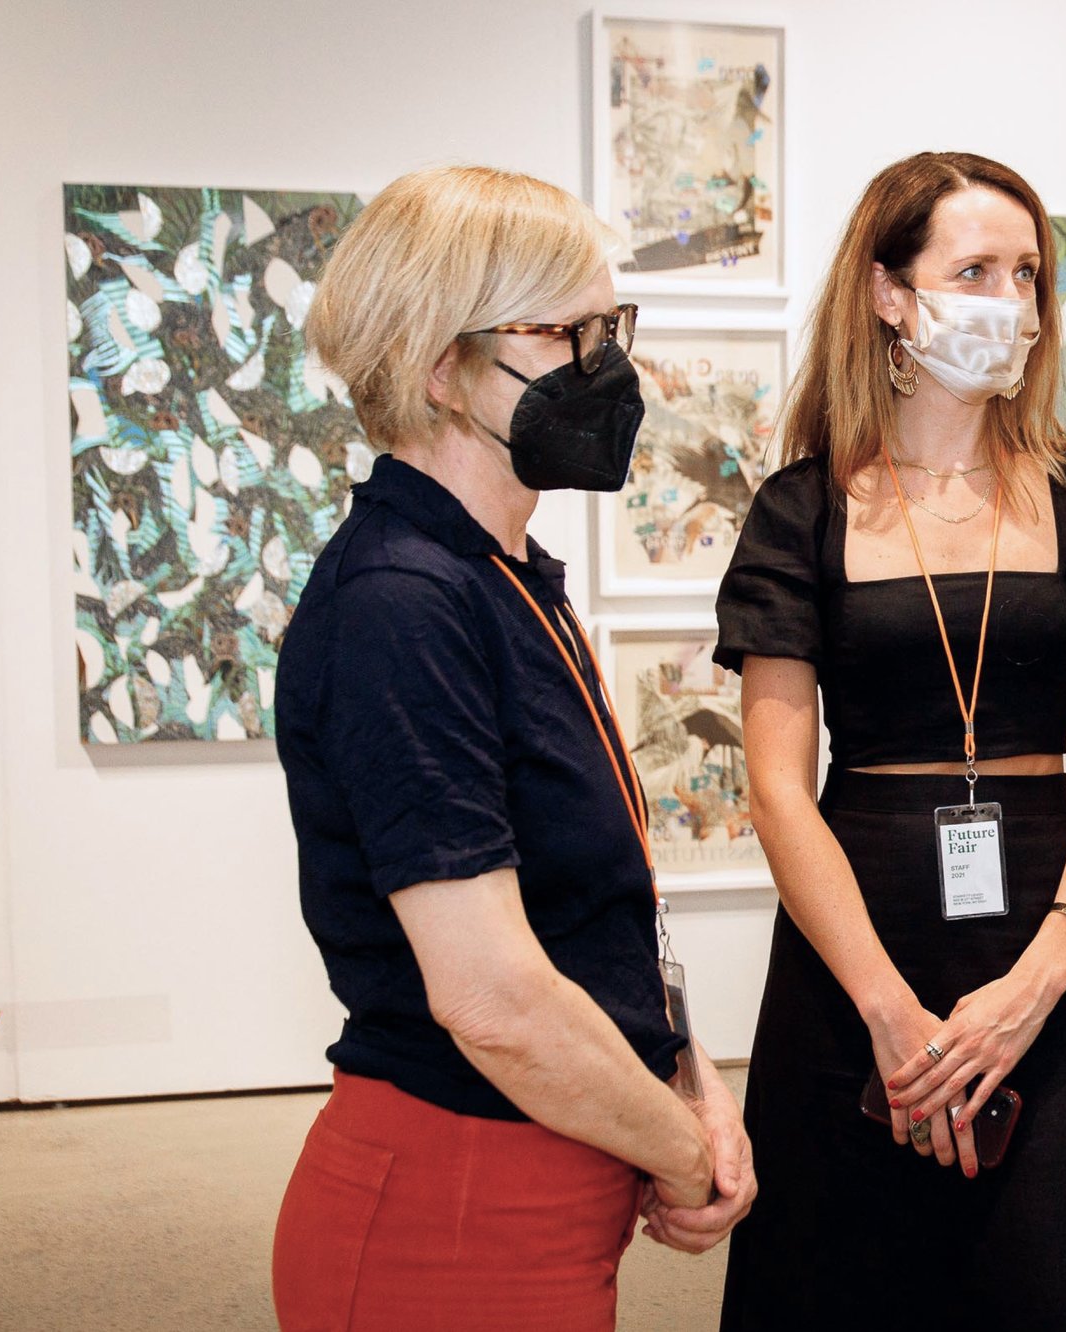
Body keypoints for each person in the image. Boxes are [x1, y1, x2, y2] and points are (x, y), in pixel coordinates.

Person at [270, 165, 753, 1331]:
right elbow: (491, 999)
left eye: (613, 328)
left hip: (540, 1189)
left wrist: (697, 1084)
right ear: (441, 366)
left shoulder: (502, 579)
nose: (609, 368)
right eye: (569, 333)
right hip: (448, 1212)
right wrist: (679, 1147)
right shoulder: (400, 603)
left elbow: (590, 906)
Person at [711, 152, 1066, 1329]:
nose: (1011, 303)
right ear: (889, 294)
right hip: (852, 956)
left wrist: (1041, 978)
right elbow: (776, 789)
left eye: (1027, 274)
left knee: (1051, 1282)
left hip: (1042, 941)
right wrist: (887, 1010)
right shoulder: (803, 509)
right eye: (975, 270)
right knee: (845, 1286)